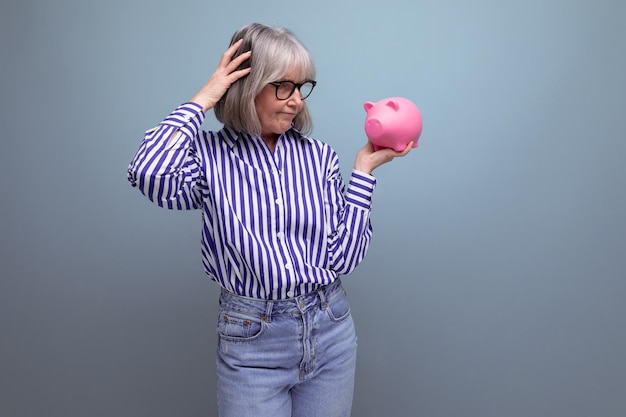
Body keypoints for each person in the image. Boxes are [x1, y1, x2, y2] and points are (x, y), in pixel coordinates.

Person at [127, 22, 412, 417]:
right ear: (247, 83)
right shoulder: (207, 157)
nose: (296, 100)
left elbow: (343, 260)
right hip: (251, 339)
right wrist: (206, 96)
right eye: (283, 86)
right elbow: (146, 172)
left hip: (330, 326)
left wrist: (363, 171)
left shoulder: (319, 157)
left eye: (301, 87)